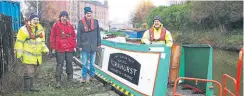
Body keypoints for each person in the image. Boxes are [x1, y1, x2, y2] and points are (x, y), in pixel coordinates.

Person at [14, 14, 49, 92]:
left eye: (37, 19)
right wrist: (19, 54)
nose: (36, 21)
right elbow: (19, 42)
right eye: (34, 19)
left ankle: (31, 87)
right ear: (30, 20)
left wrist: (45, 50)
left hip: (37, 56)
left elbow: (42, 42)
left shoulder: (40, 30)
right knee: (28, 71)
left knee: (33, 72)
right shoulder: (23, 29)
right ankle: (26, 88)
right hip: (27, 55)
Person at [50, 11, 76, 88]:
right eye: (63, 16)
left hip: (69, 47)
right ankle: (58, 81)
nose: (64, 18)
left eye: (66, 16)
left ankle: (70, 79)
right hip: (59, 47)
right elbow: (52, 37)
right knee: (60, 64)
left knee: (69, 63)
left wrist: (74, 46)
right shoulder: (56, 25)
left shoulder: (70, 25)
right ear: (60, 17)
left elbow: (74, 36)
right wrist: (53, 48)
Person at [77, 7, 101, 83]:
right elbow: (78, 35)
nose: (89, 15)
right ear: (85, 14)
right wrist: (79, 45)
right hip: (84, 46)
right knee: (84, 63)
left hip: (93, 46)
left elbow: (98, 34)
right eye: (88, 13)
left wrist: (99, 44)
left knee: (92, 63)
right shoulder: (80, 22)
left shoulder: (96, 22)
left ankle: (92, 76)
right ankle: (84, 77)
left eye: (90, 13)